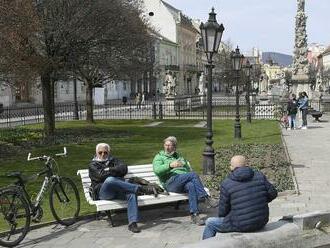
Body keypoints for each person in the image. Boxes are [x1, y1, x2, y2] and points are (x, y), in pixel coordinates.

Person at [202, 155, 277, 240]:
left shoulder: (227, 183)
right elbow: (273, 194)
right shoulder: (259, 176)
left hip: (241, 225)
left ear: (231, 167)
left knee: (210, 223)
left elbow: (222, 212)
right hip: (261, 221)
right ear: (246, 164)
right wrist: (260, 201)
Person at [89, 143, 155, 233]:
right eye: (100, 153)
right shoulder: (93, 165)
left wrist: (109, 169)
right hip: (104, 192)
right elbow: (101, 177)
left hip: (119, 190)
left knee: (131, 194)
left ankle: (132, 223)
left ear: (109, 152)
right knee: (109, 180)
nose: (103, 155)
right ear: (96, 153)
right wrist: (116, 172)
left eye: (105, 152)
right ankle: (140, 189)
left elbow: (124, 169)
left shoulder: (114, 160)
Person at [152, 136, 217, 226]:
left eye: (169, 145)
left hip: (181, 181)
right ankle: (205, 198)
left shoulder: (179, 156)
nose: (167, 147)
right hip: (170, 182)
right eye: (165, 145)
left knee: (191, 185)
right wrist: (170, 165)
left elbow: (186, 168)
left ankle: (194, 215)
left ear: (174, 147)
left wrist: (184, 167)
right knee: (193, 175)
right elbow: (157, 170)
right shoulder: (159, 157)